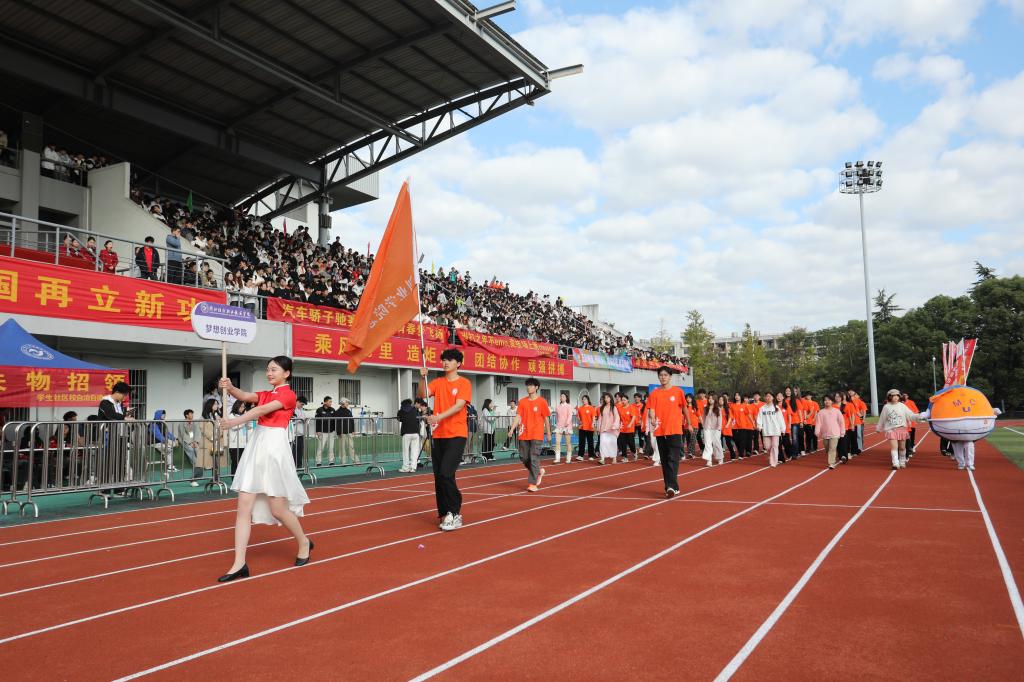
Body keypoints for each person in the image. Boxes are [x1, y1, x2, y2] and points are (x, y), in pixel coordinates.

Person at [216, 356, 312, 582]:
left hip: (274, 449)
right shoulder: (266, 393)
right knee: (243, 507)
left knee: (278, 509)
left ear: (286, 373)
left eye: (274, 369)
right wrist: (230, 387)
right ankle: (239, 563)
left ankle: (304, 541)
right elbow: (245, 396)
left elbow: (261, 410)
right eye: (268, 369)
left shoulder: (288, 395)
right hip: (257, 447)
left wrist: (233, 422)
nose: (269, 373)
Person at [418, 348, 472, 532]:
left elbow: (459, 406)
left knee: (446, 472)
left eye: (450, 360)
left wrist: (438, 417)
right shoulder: (437, 382)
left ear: (458, 363)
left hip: (456, 434)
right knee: (439, 475)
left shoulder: (464, 383)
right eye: (443, 360)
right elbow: (422, 394)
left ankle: (454, 512)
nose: (445, 362)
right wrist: (422, 378)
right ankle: (444, 512)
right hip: (439, 435)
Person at [647, 366, 686, 498]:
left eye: (665, 375)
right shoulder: (654, 393)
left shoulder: (678, 392)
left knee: (673, 458)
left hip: (675, 429)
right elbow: (651, 410)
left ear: (670, 376)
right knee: (664, 460)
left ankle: (671, 486)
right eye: (661, 375)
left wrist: (689, 423)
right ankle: (671, 486)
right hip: (660, 430)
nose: (663, 377)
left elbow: (684, 408)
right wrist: (652, 418)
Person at [508, 378, 551, 491]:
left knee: (534, 457)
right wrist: (512, 429)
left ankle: (533, 484)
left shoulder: (542, 402)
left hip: (536, 434)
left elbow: (546, 419)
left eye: (531, 386)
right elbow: (518, 416)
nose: (529, 387)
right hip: (523, 433)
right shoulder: (522, 401)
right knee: (524, 457)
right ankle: (538, 471)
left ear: (536, 387)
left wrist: (548, 433)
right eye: (527, 385)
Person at [877, 388, 926, 470]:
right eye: (893, 396)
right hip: (891, 430)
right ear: (889, 397)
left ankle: (902, 462)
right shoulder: (886, 407)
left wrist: (918, 416)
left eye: (897, 395)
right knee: (894, 447)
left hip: (902, 429)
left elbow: (910, 415)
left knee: (902, 448)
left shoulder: (902, 406)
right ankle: (895, 463)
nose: (896, 397)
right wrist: (879, 427)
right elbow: (882, 418)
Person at [756, 392, 786, 468]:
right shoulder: (762, 408)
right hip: (766, 430)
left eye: (770, 396)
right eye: (767, 396)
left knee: (775, 446)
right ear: (765, 398)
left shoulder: (776, 408)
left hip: (776, 430)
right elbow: (759, 418)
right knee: (767, 446)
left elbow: (781, 419)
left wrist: (783, 429)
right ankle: (772, 457)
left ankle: (773, 462)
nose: (768, 398)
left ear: (773, 398)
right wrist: (759, 426)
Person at [815, 396, 846, 469]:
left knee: (832, 448)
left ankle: (831, 463)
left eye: (829, 400)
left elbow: (841, 422)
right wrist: (817, 431)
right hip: (825, 434)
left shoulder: (837, 411)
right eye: (825, 400)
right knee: (827, 449)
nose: (827, 401)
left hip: (835, 433)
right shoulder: (821, 412)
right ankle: (834, 456)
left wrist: (842, 432)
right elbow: (818, 423)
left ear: (832, 401)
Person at [176, 409, 202, 486]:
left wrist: (196, 441)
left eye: (192, 414)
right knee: (190, 449)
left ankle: (199, 463)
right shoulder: (182, 424)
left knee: (197, 449)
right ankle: (196, 463)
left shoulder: (195, 423)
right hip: (185, 441)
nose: (192, 415)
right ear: (186, 415)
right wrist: (190, 442)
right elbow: (183, 435)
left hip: (194, 441)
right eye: (190, 414)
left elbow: (197, 432)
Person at [596, 392, 621, 465]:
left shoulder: (614, 407)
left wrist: (615, 426)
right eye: (605, 398)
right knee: (602, 443)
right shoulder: (602, 408)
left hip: (612, 429)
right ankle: (602, 459)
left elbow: (617, 417)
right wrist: (598, 428)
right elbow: (600, 419)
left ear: (610, 398)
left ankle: (614, 458)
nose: (606, 399)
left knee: (612, 444)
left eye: (608, 397)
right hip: (603, 429)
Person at [227, 400, 252, 475]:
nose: (242, 408)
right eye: (241, 407)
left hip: (243, 443)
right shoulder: (231, 416)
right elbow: (234, 427)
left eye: (243, 407)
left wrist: (247, 422)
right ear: (236, 406)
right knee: (235, 462)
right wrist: (244, 421)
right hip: (234, 444)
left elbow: (248, 427)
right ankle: (234, 477)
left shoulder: (244, 416)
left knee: (242, 462)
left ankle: (240, 478)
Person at [398, 398, 421, 472]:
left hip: (406, 432)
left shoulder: (402, 410)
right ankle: (413, 467)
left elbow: (399, 419)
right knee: (414, 451)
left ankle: (405, 467)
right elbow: (418, 419)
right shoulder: (415, 410)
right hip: (416, 432)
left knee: (406, 451)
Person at [701, 396, 724, 467]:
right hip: (707, 428)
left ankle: (720, 458)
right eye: (709, 398)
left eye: (712, 399)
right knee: (707, 444)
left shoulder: (718, 409)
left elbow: (720, 419)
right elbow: (704, 418)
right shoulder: (705, 408)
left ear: (715, 400)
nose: (710, 400)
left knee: (716, 443)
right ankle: (709, 460)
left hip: (716, 429)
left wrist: (719, 428)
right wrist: (704, 426)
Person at [314, 396, 338, 466]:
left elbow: (335, 421)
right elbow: (317, 421)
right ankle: (318, 461)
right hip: (322, 432)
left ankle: (331, 461)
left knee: (331, 447)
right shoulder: (319, 410)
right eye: (329, 402)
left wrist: (335, 431)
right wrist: (317, 431)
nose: (331, 403)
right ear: (325, 402)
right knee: (320, 448)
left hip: (331, 432)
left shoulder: (333, 410)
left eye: (331, 402)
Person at [552, 392, 574, 464]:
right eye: (561, 396)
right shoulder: (558, 407)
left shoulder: (569, 406)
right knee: (557, 442)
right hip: (559, 426)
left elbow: (570, 415)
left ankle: (568, 458)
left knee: (568, 443)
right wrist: (558, 424)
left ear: (566, 398)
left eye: (563, 396)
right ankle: (557, 458)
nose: (562, 397)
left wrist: (566, 423)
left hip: (567, 426)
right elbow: (557, 417)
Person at [576, 395, 598, 461]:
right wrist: (579, 421)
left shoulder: (591, 408)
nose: (583, 400)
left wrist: (593, 424)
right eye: (583, 399)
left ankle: (591, 455)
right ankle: (580, 455)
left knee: (590, 442)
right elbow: (578, 417)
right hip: (582, 427)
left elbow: (594, 417)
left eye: (585, 399)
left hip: (589, 428)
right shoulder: (580, 408)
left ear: (588, 400)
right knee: (581, 442)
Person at [337, 398, 358, 465]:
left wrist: (353, 430)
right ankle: (343, 462)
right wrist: (339, 432)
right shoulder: (337, 412)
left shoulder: (349, 411)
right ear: (342, 403)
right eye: (347, 402)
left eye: (348, 402)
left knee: (351, 446)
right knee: (342, 448)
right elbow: (337, 423)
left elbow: (351, 421)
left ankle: (355, 460)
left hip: (349, 431)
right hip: (342, 433)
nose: (348, 404)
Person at [291, 396, 309, 470]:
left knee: (300, 450)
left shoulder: (302, 410)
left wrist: (303, 420)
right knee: (294, 451)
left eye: (303, 405)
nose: (302, 406)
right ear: (297, 402)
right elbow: (291, 420)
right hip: (294, 434)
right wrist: (299, 420)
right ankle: (293, 466)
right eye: (302, 404)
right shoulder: (292, 409)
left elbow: (304, 418)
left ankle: (299, 465)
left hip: (301, 433)